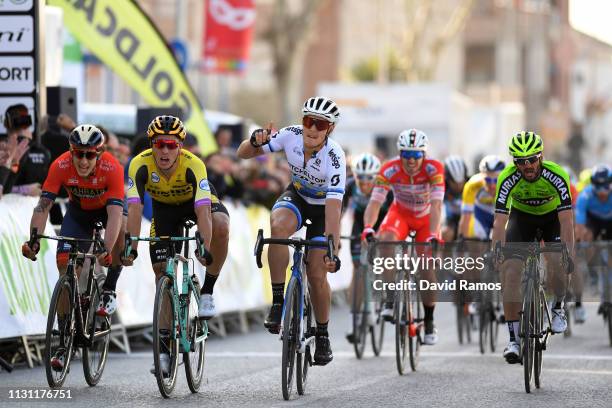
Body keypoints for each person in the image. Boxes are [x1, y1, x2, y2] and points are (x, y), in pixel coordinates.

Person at [236, 96, 345, 365]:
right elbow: (242, 154)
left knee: (318, 274)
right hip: (297, 196)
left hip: (323, 209)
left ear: (329, 129)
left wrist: (332, 248)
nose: (312, 128)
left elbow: (333, 210)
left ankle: (322, 334)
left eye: (320, 124)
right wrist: (254, 141)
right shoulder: (290, 135)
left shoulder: (335, 157)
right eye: (308, 121)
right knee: (278, 226)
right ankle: (277, 302)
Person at [21, 125, 126, 371]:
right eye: (78, 154)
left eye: (90, 155)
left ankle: (109, 288)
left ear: (99, 154)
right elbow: (42, 206)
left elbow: (114, 215)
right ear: (71, 152)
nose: (83, 160)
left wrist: (106, 249)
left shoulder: (112, 168)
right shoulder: (60, 165)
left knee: (120, 235)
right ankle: (64, 339)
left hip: (107, 213)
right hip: (78, 215)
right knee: (65, 268)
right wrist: (34, 239)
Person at [123, 115, 230, 321]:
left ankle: (207, 291)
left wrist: (204, 247)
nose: (165, 151)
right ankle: (164, 344)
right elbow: (135, 208)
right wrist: (131, 249)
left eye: (171, 145)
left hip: (195, 204)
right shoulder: (139, 164)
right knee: (161, 273)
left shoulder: (194, 164)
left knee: (222, 225)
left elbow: (203, 211)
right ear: (151, 144)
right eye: (159, 144)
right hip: (165, 208)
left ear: (180, 146)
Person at [492, 131, 575, 364]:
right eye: (520, 161)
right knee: (509, 272)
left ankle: (558, 306)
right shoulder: (507, 178)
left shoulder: (556, 175)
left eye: (531, 159)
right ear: (514, 162)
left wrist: (568, 253)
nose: (526, 165)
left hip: (552, 219)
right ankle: (514, 340)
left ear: (541, 156)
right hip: (522, 220)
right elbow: (499, 222)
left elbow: (567, 220)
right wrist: (497, 252)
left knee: (559, 262)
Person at [362, 129, 445, 345]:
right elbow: (375, 202)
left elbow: (436, 205)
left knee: (427, 267)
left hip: (427, 217)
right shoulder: (389, 169)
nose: (411, 160)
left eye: (416, 155)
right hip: (401, 214)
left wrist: (434, 234)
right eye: (406, 155)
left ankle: (428, 320)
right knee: (386, 241)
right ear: (400, 154)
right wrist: (369, 228)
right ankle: (390, 299)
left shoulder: (434, 169)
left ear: (423, 155)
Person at [342, 153, 392, 343]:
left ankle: (387, 293)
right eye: (359, 177)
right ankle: (354, 318)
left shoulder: (385, 187)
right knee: (358, 270)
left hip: (383, 222)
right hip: (360, 225)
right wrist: (335, 237)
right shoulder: (349, 186)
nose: (364, 182)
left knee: (386, 258)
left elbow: (395, 213)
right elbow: (338, 212)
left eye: (369, 178)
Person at [575, 164, 612, 322]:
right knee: (586, 239)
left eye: (606, 186)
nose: (603, 191)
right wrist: (582, 242)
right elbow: (580, 225)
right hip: (594, 223)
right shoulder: (586, 196)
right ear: (593, 185)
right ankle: (593, 271)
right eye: (599, 186)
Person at [442, 155, 469, 242]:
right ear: (447, 180)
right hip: (450, 220)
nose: (458, 186)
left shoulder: (472, 184)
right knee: (445, 233)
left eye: (461, 182)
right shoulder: (441, 187)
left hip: (468, 218)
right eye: (454, 182)